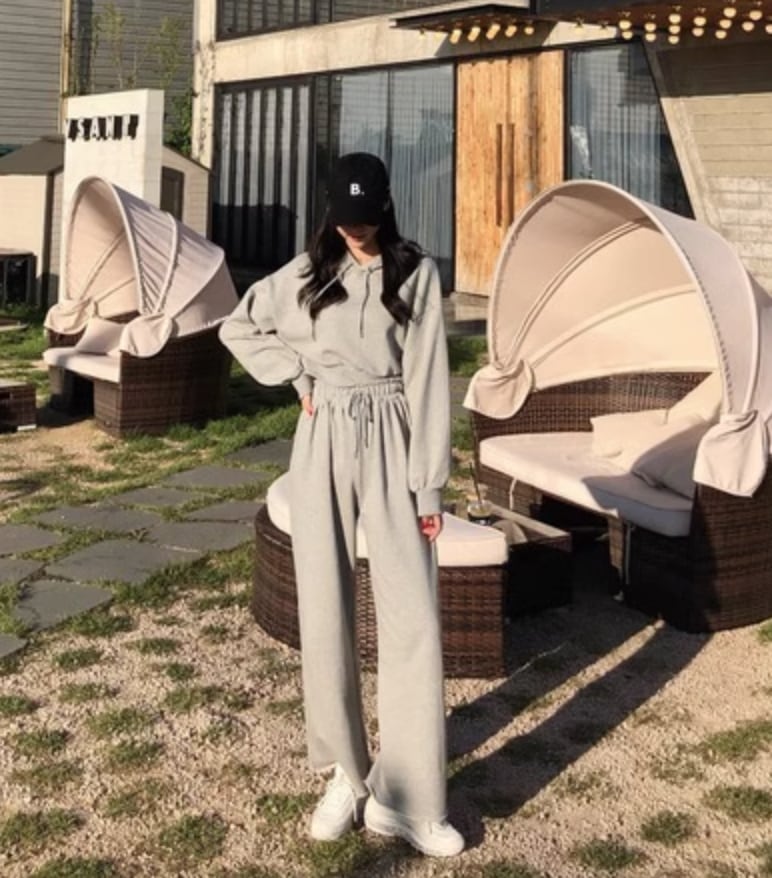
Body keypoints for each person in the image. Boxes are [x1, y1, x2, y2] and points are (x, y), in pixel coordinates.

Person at [219, 152, 464, 858]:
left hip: (393, 433)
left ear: (385, 206)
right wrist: (296, 375)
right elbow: (239, 325)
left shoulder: (415, 273)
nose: (355, 229)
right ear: (330, 212)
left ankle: (410, 799)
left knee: (413, 617)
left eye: (366, 215)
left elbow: (428, 380)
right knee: (325, 608)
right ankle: (346, 777)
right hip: (323, 433)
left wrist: (429, 484)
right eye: (344, 217)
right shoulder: (304, 275)